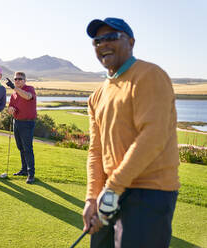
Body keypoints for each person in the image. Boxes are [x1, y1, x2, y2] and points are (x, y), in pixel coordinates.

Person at [82, 17, 180, 248]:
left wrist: (113, 188)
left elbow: (152, 137)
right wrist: (92, 197)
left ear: (131, 42)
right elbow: (96, 150)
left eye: (111, 37)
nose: (102, 44)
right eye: (97, 40)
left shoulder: (149, 75)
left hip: (149, 192)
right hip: (110, 193)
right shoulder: (96, 95)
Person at [6, 72, 37, 184]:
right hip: (17, 122)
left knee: (28, 149)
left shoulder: (30, 89)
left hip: (28, 123)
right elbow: (10, 107)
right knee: (20, 147)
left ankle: (31, 174)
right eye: (16, 79)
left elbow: (27, 96)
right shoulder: (14, 94)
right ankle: (24, 170)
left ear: (24, 80)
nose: (17, 81)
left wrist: (14, 87)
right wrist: (10, 110)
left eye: (20, 79)